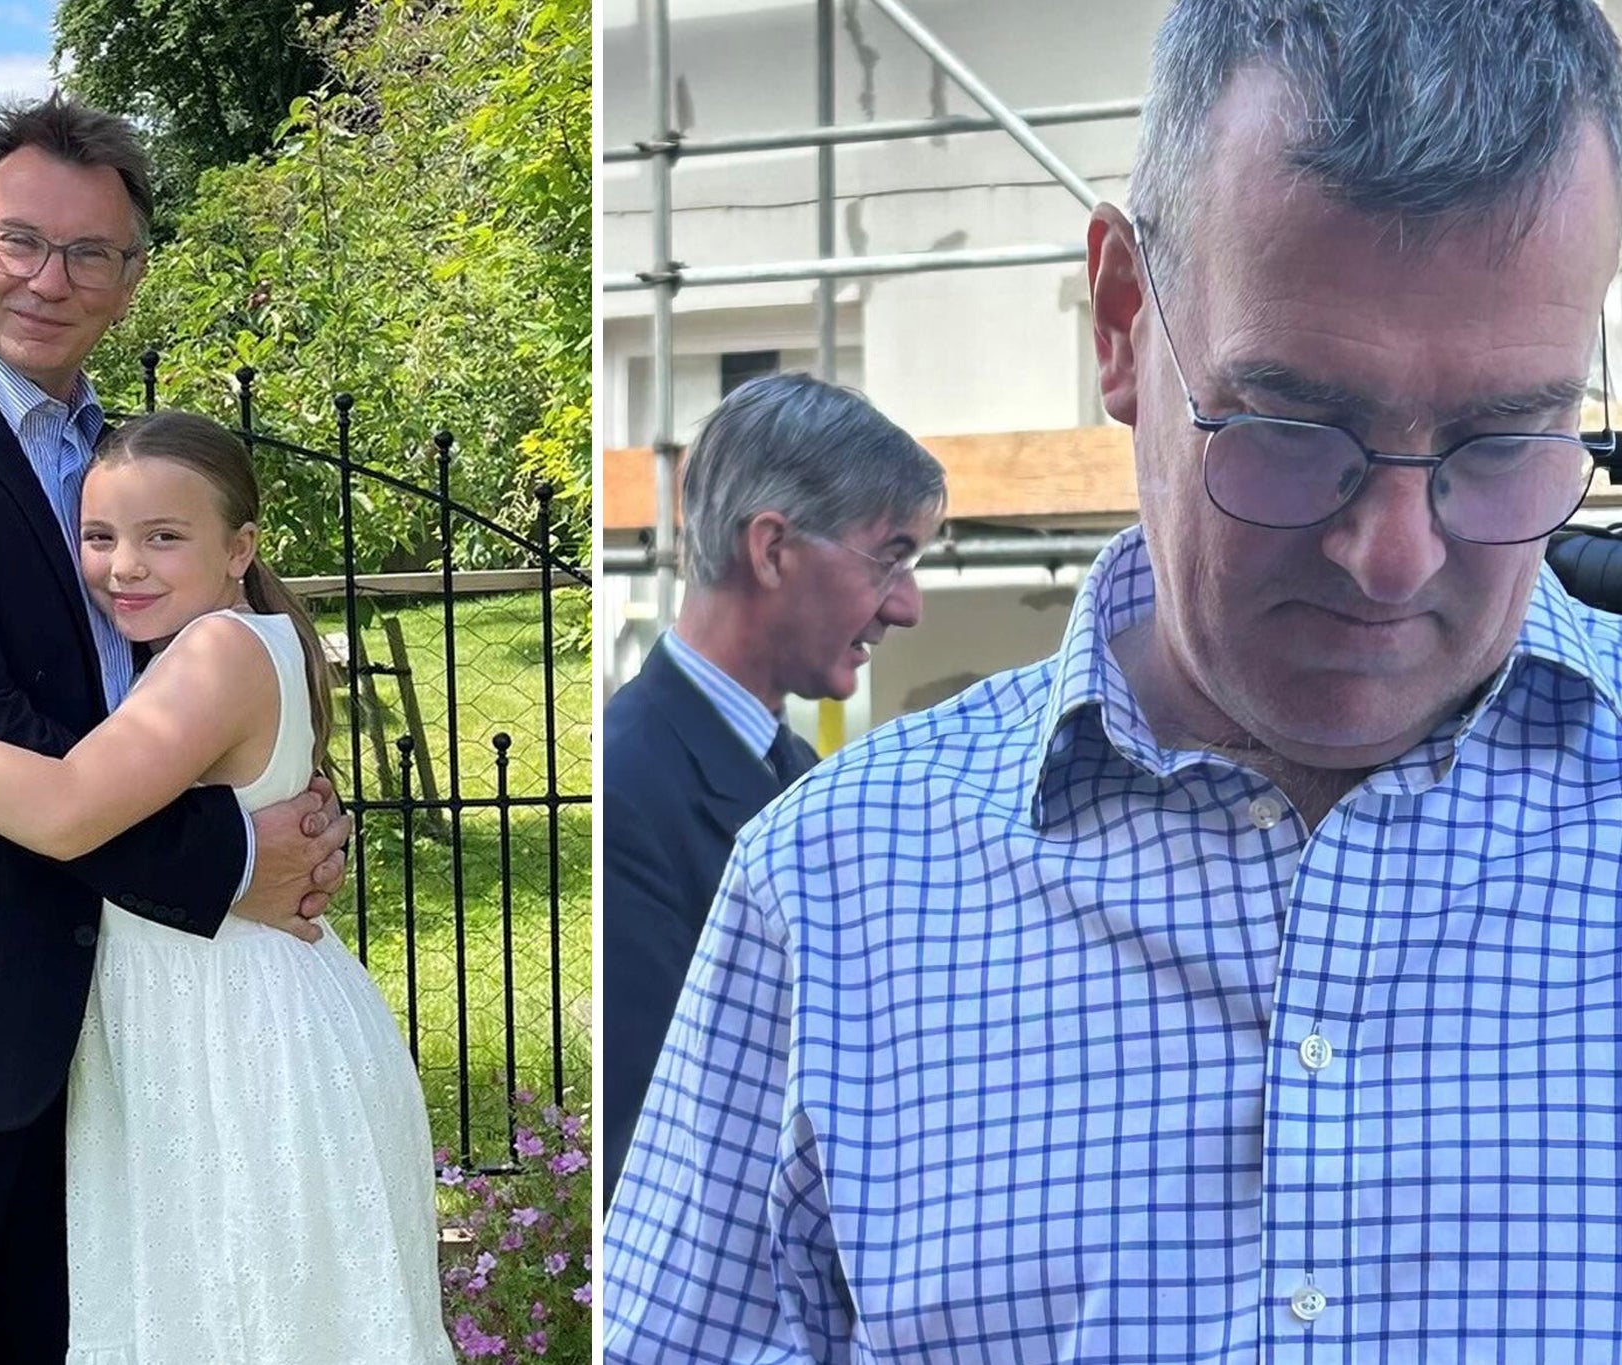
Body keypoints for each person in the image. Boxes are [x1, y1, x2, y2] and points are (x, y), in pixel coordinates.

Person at [602, 0, 1622, 1358]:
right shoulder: (833, 889)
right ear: (1126, 319)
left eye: (1504, 440)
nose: (1392, 554)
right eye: (1289, 424)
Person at [0, 95, 350, 1365]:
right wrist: (239, 863)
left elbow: (194, 695)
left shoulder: (124, 468)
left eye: (91, 253)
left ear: (131, 278)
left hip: (111, 1023)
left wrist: (288, 802)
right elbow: (1, 736)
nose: (50, 278)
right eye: (19, 239)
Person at [0, 409, 455, 1364]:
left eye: (164, 537)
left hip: (234, 1032)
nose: (125, 566)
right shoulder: (251, 638)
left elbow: (67, 808)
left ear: (240, 546)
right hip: (238, 1004)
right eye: (100, 536)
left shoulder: (213, 653)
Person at [601, 373, 945, 1203]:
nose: (908, 606)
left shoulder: (797, 774)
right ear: (771, 549)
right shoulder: (627, 792)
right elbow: (656, 1157)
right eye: (891, 555)